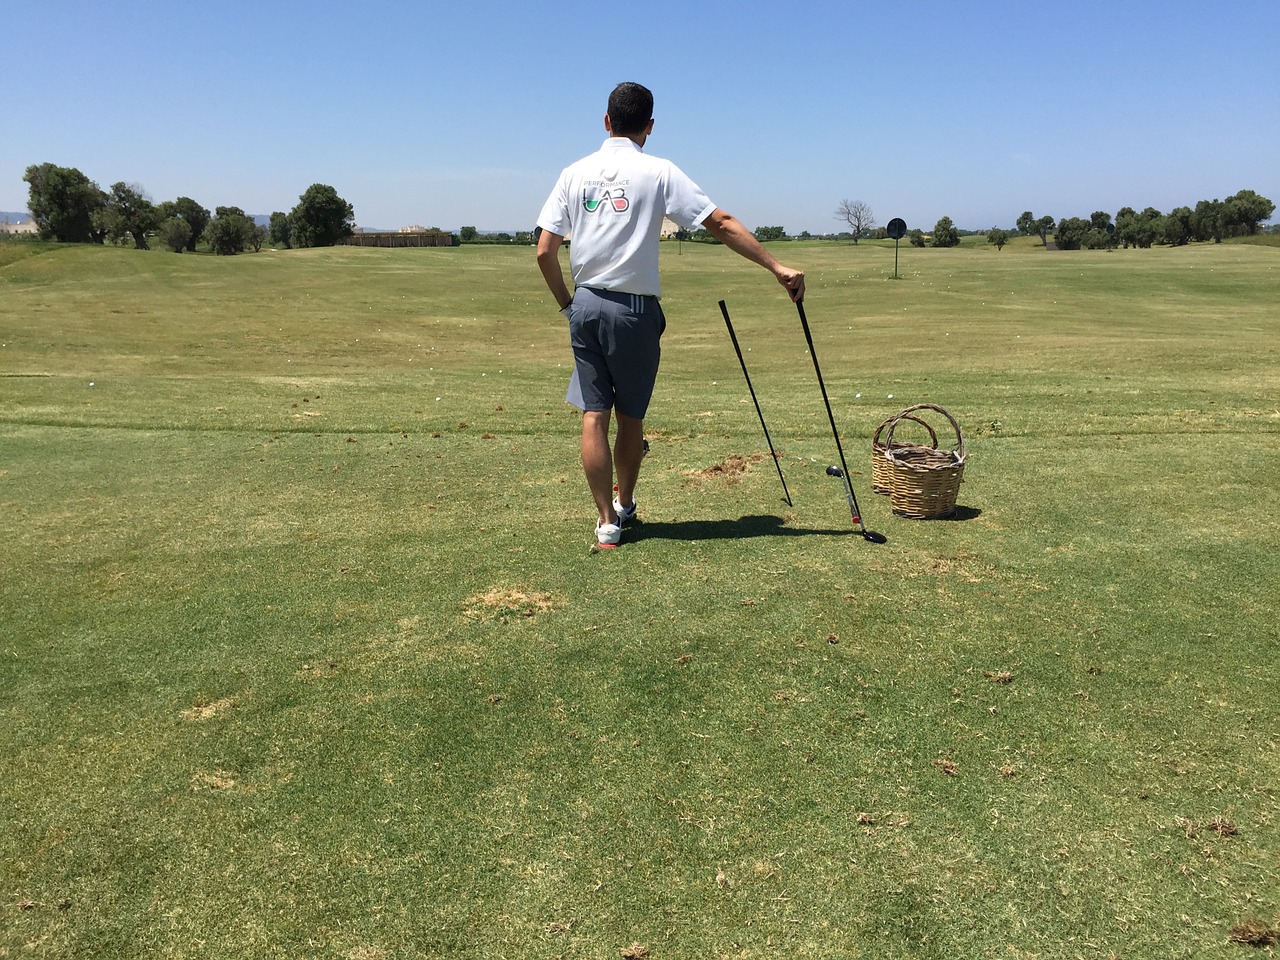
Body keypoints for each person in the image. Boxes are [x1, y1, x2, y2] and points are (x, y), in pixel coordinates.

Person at [536, 81, 804, 548]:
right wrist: (775, 266)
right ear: (650, 127)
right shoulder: (658, 171)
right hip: (635, 311)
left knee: (593, 415)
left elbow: (544, 251)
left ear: (606, 121)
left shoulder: (573, 173)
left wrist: (567, 304)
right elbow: (718, 222)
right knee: (630, 417)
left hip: (585, 305)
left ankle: (605, 522)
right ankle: (624, 504)